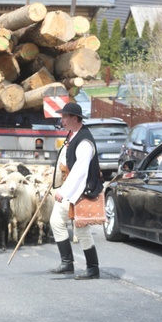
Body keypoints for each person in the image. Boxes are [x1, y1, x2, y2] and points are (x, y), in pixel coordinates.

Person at [48, 102, 103, 280]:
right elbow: (66, 163)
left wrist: (63, 192)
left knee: (81, 231)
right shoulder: (72, 135)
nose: (62, 120)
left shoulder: (85, 142)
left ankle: (93, 269)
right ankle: (67, 263)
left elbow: (80, 171)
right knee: (56, 221)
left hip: (81, 191)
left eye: (64, 117)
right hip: (71, 189)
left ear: (74, 118)